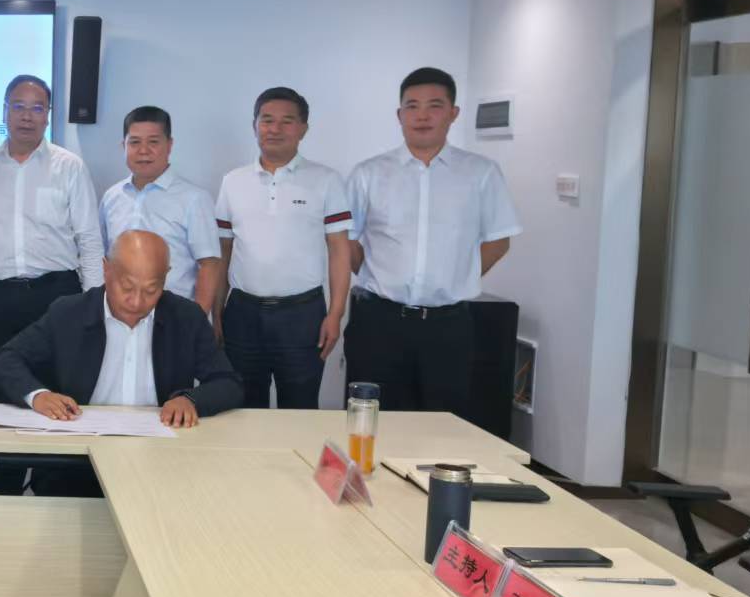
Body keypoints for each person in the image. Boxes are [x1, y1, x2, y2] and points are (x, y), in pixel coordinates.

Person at [0, 230, 242, 597]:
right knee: (50, 528)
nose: (137, 301)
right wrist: (38, 395)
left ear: (166, 281)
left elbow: (228, 382)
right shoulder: (69, 312)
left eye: (152, 290)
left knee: (181, 535)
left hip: (156, 463)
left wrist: (191, 399)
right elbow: (6, 359)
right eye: (127, 287)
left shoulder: (184, 318)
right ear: (106, 271)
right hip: (78, 459)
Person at [344, 67, 521, 413]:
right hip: (379, 322)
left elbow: (499, 241)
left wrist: (458, 277)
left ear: (453, 113)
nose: (422, 116)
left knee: (444, 423)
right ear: (399, 115)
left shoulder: (481, 173)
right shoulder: (369, 173)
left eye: (434, 106)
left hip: (448, 326)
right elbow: (346, 239)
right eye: (412, 106)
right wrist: (372, 273)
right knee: (374, 419)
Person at [0, 74, 103, 495]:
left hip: (56, 296)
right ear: (4, 111)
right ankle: (1, 495)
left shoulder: (69, 166)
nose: (27, 116)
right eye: (18, 106)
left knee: (56, 390)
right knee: (1, 392)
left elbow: (89, 240)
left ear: (48, 114)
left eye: (37, 107)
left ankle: (49, 490)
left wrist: (93, 304)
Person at [214, 87, 352, 409]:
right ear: (255, 125)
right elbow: (223, 253)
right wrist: (216, 314)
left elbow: (339, 251)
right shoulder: (232, 181)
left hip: (302, 315)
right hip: (242, 314)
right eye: (266, 120)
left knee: (300, 410)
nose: (274, 129)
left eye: (287, 121)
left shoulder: (326, 180)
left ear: (303, 128)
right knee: (242, 411)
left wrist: (335, 314)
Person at [99, 105, 221, 314]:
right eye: (134, 142)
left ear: (169, 145)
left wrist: (196, 321)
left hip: (175, 315)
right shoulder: (112, 197)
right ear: (123, 146)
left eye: (153, 142)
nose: (143, 150)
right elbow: (104, 257)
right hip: (119, 314)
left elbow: (209, 264)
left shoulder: (194, 199)